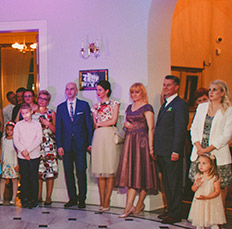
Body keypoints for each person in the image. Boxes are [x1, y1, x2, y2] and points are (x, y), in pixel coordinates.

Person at [188, 80, 232, 208]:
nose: (211, 92)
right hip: (199, 152)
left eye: (215, 90)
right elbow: (194, 128)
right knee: (199, 184)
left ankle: (219, 215)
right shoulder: (202, 107)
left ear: (222, 92)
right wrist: (199, 147)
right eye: (210, 90)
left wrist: (208, 149)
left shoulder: (228, 110)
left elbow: (226, 134)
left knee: (220, 187)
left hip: (217, 153)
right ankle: (201, 214)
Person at [115, 82, 159, 217]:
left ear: (142, 93)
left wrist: (151, 147)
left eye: (137, 92)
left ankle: (139, 203)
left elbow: (150, 128)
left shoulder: (147, 107)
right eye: (132, 92)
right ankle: (128, 206)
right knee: (131, 173)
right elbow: (127, 126)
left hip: (142, 143)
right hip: (130, 142)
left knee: (144, 173)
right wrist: (126, 126)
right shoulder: (129, 107)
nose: (134, 95)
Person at [154, 75, 189, 224]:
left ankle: (175, 213)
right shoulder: (165, 104)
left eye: (169, 85)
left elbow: (180, 129)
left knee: (174, 182)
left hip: (171, 151)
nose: (165, 88)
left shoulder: (180, 104)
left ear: (176, 87)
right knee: (167, 183)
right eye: (164, 85)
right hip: (162, 150)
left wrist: (176, 150)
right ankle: (169, 209)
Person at [56, 82, 93, 208]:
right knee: (68, 172)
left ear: (76, 91)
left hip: (80, 145)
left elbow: (89, 126)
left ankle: (82, 198)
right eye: (67, 89)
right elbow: (58, 128)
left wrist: (90, 143)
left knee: (81, 171)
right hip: (66, 145)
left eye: (72, 89)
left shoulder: (84, 105)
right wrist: (59, 145)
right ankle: (72, 198)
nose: (69, 91)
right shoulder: (60, 107)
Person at [90, 80, 120, 212]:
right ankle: (101, 200)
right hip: (98, 136)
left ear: (107, 91)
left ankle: (107, 200)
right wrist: (99, 125)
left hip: (109, 134)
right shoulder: (95, 106)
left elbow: (113, 120)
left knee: (110, 168)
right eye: (97, 90)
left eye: (100, 90)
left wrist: (100, 124)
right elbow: (94, 124)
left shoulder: (114, 104)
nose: (98, 92)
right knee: (100, 170)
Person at [188, 154, 226, 229]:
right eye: (199, 163)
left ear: (211, 165)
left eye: (204, 163)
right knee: (199, 221)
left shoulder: (214, 177)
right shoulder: (198, 176)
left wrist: (206, 197)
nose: (200, 165)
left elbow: (217, 192)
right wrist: (196, 185)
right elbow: (193, 189)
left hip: (211, 203)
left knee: (213, 222)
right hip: (200, 203)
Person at [14, 103, 43, 208]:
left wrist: (28, 151)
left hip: (34, 155)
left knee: (33, 178)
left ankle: (33, 199)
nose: (25, 115)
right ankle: (24, 199)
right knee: (24, 178)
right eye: (23, 113)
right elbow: (16, 140)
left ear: (31, 112)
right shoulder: (18, 125)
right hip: (22, 156)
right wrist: (23, 151)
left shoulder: (37, 124)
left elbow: (38, 139)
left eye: (27, 113)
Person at [36, 90, 58, 205]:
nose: (42, 101)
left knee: (50, 172)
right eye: (40, 98)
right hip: (36, 145)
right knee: (38, 172)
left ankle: (48, 197)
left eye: (44, 99)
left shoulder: (51, 113)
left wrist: (48, 124)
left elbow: (56, 130)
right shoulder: (33, 113)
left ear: (48, 101)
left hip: (49, 145)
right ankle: (38, 196)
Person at [0, 122, 18, 206]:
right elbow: (1, 149)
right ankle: (1, 198)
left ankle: (13, 197)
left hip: (13, 162)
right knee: (3, 179)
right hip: (5, 162)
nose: (9, 131)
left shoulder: (16, 140)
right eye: (8, 130)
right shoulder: (3, 139)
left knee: (14, 180)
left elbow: (18, 152)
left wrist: (18, 164)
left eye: (11, 130)